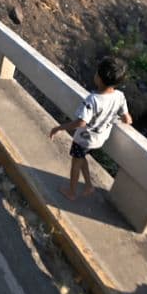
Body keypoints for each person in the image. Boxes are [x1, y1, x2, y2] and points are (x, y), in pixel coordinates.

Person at [48, 57, 131, 199]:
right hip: (100, 139)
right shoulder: (119, 96)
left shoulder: (92, 100)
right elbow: (127, 119)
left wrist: (59, 128)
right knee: (81, 158)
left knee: (75, 164)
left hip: (84, 139)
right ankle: (88, 185)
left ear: (99, 78)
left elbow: (81, 122)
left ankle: (71, 192)